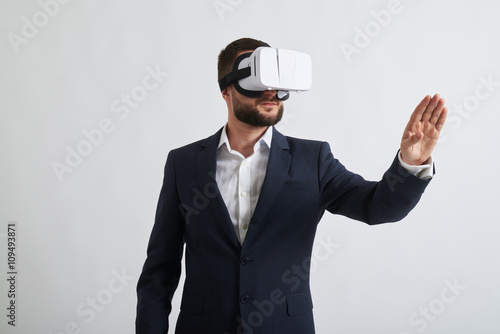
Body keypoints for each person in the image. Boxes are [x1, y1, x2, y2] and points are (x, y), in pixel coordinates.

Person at [136, 37, 448, 334]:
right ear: (226, 91)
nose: (269, 91)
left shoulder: (313, 159)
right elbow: (159, 271)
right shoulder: (184, 163)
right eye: (256, 80)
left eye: (274, 79)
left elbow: (378, 207)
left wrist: (410, 164)